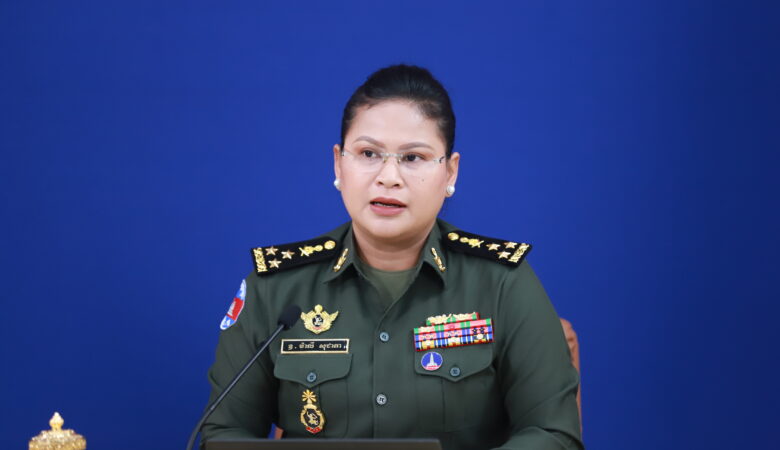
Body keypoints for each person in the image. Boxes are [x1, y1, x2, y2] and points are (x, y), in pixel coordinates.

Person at [202, 64, 583, 450]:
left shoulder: (501, 282)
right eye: (368, 153)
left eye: (413, 157)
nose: (389, 177)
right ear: (338, 164)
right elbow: (223, 434)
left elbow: (554, 434)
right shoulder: (276, 288)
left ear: (450, 173)